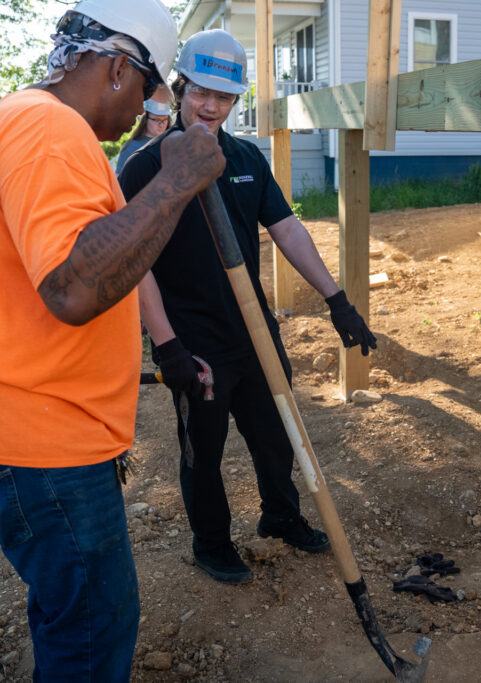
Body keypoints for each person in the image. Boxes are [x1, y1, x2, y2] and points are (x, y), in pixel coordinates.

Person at [0, 1, 226, 679]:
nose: (145, 109)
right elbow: (74, 286)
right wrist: (176, 180)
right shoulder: (49, 130)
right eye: (147, 89)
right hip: (33, 436)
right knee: (94, 621)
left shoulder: (21, 120)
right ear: (117, 68)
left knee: (70, 603)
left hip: (14, 418)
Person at [119, 29, 376, 585]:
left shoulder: (245, 158)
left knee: (276, 432)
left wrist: (337, 301)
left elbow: (287, 230)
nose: (211, 106)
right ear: (181, 88)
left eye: (225, 96)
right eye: (200, 92)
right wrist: (166, 346)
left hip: (254, 330)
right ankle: (210, 544)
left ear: (236, 101)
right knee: (203, 452)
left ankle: (281, 517)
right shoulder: (144, 166)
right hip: (194, 343)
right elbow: (135, 266)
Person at [114, 84, 172, 174]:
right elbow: (119, 180)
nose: (161, 125)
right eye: (156, 120)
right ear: (145, 120)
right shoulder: (130, 147)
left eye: (165, 120)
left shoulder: (172, 145)